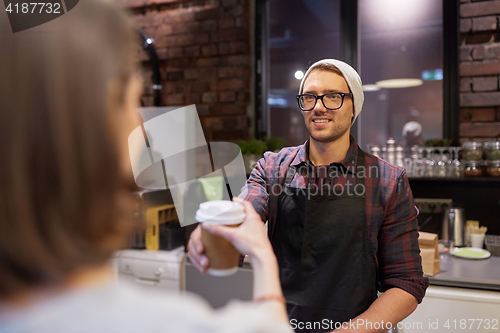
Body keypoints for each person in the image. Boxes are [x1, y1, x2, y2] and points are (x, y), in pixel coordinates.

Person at [0, 1, 291, 332]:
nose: (141, 123)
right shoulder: (174, 324)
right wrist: (263, 257)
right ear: (100, 126)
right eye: (133, 103)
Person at [189, 59, 429, 333]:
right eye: (309, 97)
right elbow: (243, 218)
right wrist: (213, 231)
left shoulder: (387, 181)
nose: (318, 106)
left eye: (333, 97)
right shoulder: (272, 168)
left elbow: (406, 283)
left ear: (354, 108)